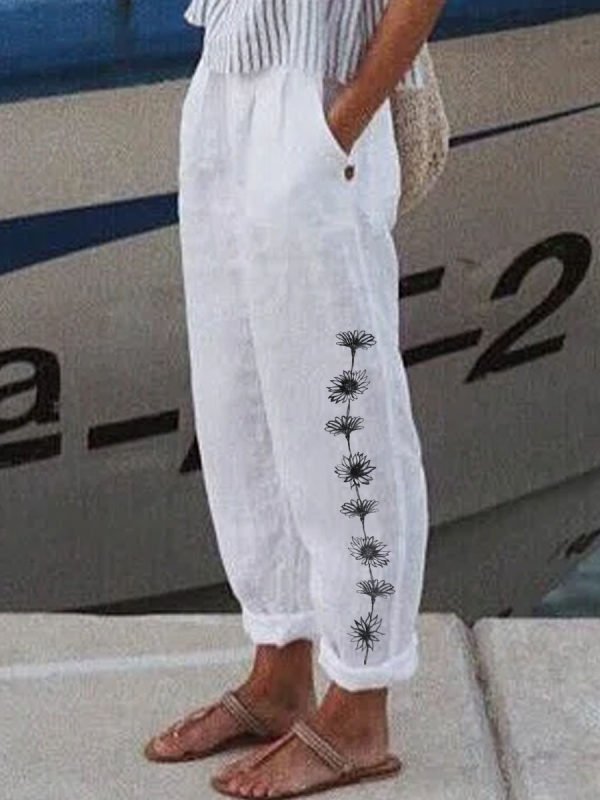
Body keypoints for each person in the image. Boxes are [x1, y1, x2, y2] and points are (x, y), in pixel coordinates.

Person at [144, 0, 446, 796]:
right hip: (229, 79)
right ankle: (279, 670)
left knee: (343, 414)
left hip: (322, 92)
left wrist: (341, 125)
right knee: (240, 396)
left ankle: (360, 707)